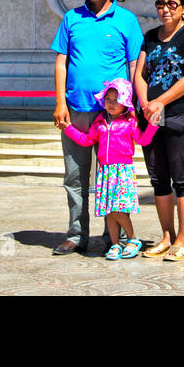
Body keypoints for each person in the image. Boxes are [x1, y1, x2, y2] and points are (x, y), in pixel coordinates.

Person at [50, 0, 143, 255]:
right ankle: (77, 234)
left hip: (113, 115)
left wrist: (136, 105)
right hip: (76, 109)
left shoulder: (126, 20)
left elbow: (134, 64)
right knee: (75, 176)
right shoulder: (71, 19)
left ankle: (111, 236)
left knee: (111, 177)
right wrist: (60, 102)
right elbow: (61, 61)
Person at [134, 0, 184, 262]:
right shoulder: (150, 36)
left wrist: (161, 102)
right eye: (161, 3)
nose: (165, 9)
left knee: (182, 179)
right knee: (158, 180)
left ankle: (183, 240)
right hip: (150, 118)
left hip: (179, 115)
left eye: (172, 4)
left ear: (183, 7)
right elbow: (140, 74)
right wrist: (145, 103)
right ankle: (166, 236)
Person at [61, 79, 159, 261]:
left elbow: (142, 140)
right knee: (109, 211)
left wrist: (153, 125)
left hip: (122, 171)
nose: (111, 103)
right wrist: (69, 130)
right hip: (105, 172)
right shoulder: (99, 123)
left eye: (116, 99)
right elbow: (86, 140)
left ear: (125, 103)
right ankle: (115, 244)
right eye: (108, 99)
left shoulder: (129, 122)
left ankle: (132, 238)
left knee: (118, 210)